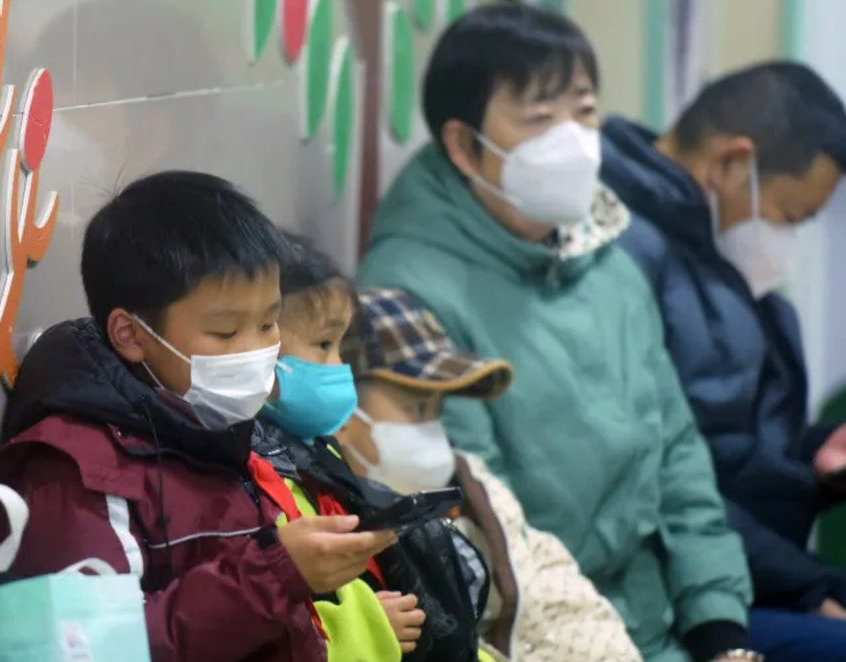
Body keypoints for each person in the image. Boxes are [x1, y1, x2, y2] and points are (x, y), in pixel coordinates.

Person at [358, 5, 756, 662]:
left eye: (585, 111)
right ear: (462, 145)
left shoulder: (606, 257)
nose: (572, 140)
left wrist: (720, 629)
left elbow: (680, 456)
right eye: (540, 118)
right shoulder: (408, 290)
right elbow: (493, 521)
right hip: (546, 635)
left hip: (661, 620)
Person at [0, 171, 396, 662]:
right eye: (225, 333)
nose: (255, 352)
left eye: (269, 324)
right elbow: (96, 650)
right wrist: (277, 572)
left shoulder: (213, 426)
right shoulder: (77, 469)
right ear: (131, 335)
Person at [601, 62, 846, 661]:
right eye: (790, 218)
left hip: (749, 572)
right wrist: (810, 584)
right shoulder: (624, 256)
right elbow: (668, 475)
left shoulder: (719, 266)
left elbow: (735, 449)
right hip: (680, 590)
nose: (787, 242)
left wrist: (818, 458)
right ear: (732, 163)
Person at [335, 285, 644, 662]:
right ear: (339, 402)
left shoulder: (473, 487)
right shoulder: (324, 520)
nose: (434, 432)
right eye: (416, 409)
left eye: (438, 411)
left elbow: (556, 594)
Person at [259, 234, 493, 662]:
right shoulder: (257, 481)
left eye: (342, 348)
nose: (337, 369)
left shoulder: (321, 464)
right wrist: (363, 628)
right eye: (323, 345)